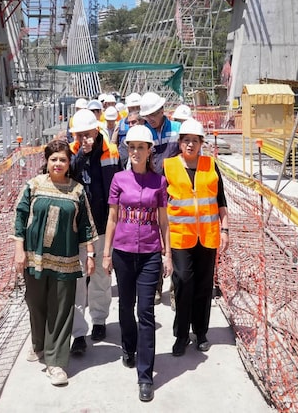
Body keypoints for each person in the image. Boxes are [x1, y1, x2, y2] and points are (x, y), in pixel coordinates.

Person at [13, 139, 96, 386]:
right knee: (36, 305)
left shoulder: (77, 190)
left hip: (66, 260)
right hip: (35, 258)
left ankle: (57, 362)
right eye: (54, 159)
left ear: (69, 163)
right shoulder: (33, 186)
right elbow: (20, 217)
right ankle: (39, 343)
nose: (58, 163)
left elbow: (85, 226)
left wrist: (90, 255)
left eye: (63, 159)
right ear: (46, 162)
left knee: (61, 310)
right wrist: (20, 250)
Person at [102, 125, 172, 403]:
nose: (135, 152)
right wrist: (106, 253)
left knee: (146, 312)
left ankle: (145, 375)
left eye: (140, 147)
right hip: (122, 251)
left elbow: (164, 221)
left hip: (150, 253)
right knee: (125, 306)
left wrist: (167, 254)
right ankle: (128, 346)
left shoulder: (159, 182)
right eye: (131, 147)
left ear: (149, 151)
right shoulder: (119, 179)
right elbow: (112, 219)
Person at [164, 119, 229, 357]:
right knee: (184, 283)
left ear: (202, 143)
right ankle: (181, 335)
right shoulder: (168, 166)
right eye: (186, 140)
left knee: (203, 286)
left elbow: (220, 200)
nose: (190, 145)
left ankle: (201, 332)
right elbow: (162, 206)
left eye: (195, 141)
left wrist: (225, 229)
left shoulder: (210, 164)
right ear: (180, 143)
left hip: (208, 236)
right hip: (181, 237)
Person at [69, 109, 120, 354]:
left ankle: (99, 321)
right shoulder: (71, 152)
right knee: (77, 281)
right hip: (77, 229)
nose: (83, 139)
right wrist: (80, 154)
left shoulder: (111, 153)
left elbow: (117, 187)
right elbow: (68, 176)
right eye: (79, 135)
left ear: (96, 130)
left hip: (102, 226)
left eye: (87, 134)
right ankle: (78, 333)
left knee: (101, 276)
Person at [139, 91, 181, 304]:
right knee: (154, 243)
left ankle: (174, 290)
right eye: (148, 116)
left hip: (174, 194)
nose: (151, 119)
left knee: (173, 242)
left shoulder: (177, 130)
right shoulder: (143, 132)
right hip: (152, 194)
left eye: (154, 114)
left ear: (162, 110)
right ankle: (155, 287)